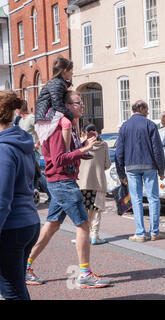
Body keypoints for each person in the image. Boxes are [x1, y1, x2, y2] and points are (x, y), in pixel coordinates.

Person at [26, 91, 111, 289]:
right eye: (78, 103)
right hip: (62, 182)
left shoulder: (69, 126)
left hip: (61, 181)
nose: (82, 106)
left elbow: (67, 154)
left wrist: (84, 145)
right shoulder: (58, 126)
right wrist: (82, 150)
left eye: (82, 102)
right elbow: (58, 159)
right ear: (66, 105)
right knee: (83, 225)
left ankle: (25, 266)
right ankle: (85, 274)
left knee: (51, 226)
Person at [0, 91, 41, 300]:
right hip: (27, 222)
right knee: (16, 286)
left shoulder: (4, 149)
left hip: (11, 227)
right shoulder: (20, 141)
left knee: (12, 291)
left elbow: (2, 200)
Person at [115, 100, 165, 242]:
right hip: (149, 165)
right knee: (153, 198)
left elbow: (119, 152)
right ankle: (154, 231)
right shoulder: (150, 124)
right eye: (146, 109)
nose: (148, 112)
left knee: (136, 199)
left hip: (131, 167)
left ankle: (140, 233)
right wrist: (161, 169)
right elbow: (157, 150)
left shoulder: (125, 126)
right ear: (141, 108)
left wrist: (121, 173)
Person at [77, 124, 111, 245]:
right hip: (98, 182)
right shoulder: (103, 145)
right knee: (96, 210)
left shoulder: (80, 144)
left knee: (83, 210)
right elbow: (107, 165)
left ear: (83, 132)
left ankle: (82, 236)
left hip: (81, 182)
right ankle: (94, 236)